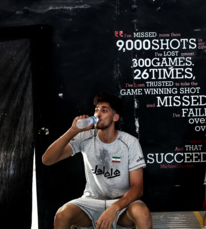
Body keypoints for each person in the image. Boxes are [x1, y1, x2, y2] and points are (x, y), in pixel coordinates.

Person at [42, 91, 152, 229]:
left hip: (122, 204)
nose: (98, 114)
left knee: (142, 213)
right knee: (62, 214)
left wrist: (114, 208)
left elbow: (137, 188)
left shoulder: (130, 142)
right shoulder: (84, 137)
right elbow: (47, 159)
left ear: (115, 117)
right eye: (96, 110)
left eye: (104, 110)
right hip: (90, 203)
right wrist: (73, 131)